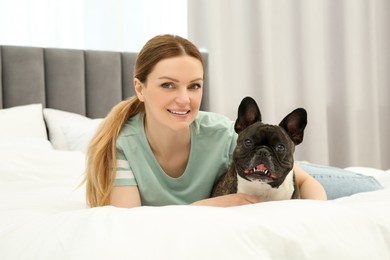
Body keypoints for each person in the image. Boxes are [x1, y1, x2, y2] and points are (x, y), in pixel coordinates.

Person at [85, 34, 327, 208]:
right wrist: (213, 205)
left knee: (363, 186)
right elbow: (130, 225)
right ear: (140, 88)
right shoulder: (122, 146)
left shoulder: (220, 133)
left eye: (194, 86)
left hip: (302, 181)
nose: (183, 99)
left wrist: (318, 216)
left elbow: (303, 179)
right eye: (168, 85)